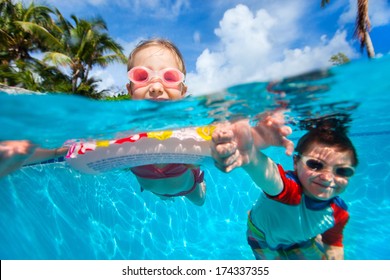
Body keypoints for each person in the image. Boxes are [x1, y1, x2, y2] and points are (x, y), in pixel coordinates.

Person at [1, 38, 206, 206]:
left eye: (169, 77)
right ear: (129, 90)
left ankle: (199, 181)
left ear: (182, 91)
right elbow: (60, 149)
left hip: (188, 187)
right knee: (161, 196)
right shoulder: (121, 129)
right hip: (153, 188)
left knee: (200, 201)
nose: (155, 86)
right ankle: (163, 195)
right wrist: (22, 151)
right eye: (142, 76)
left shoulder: (189, 128)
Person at [211, 115, 358, 260]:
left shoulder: (339, 213)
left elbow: (333, 242)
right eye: (315, 165)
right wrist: (250, 156)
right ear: (296, 162)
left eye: (342, 171)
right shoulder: (290, 190)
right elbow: (270, 175)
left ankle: (310, 235)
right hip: (263, 238)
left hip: (300, 239)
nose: (327, 177)